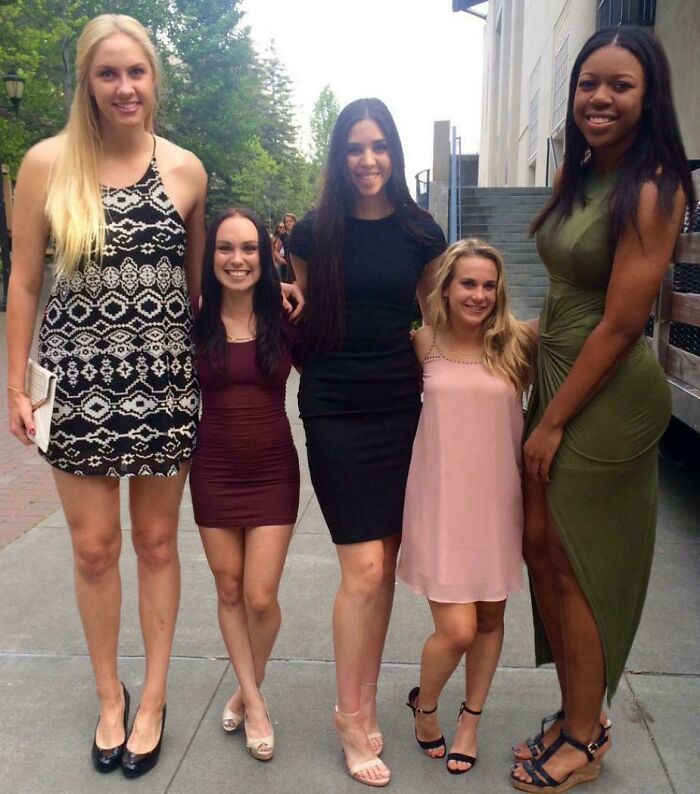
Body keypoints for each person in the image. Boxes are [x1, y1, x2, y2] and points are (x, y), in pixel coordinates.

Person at [6, 14, 208, 778]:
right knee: (94, 550)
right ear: (87, 83)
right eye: (108, 73)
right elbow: (24, 282)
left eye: (137, 72)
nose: (125, 87)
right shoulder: (45, 164)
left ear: (155, 79)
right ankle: (109, 696)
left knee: (157, 544)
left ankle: (152, 695)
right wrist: (18, 385)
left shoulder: (187, 171)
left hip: (161, 384)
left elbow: (192, 290)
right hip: (76, 386)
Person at [510, 26, 694, 792]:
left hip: (606, 393)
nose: (600, 97)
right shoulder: (580, 173)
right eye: (589, 82)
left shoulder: (652, 185)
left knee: (579, 563)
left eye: (620, 85)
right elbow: (561, 291)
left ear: (649, 96)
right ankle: (574, 707)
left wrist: (552, 422)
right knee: (540, 549)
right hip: (558, 373)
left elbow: (621, 324)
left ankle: (585, 736)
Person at [289, 97, 446, 787]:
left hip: (399, 407)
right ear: (339, 156)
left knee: (382, 565)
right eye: (355, 147)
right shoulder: (313, 232)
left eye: (379, 145)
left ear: (395, 151)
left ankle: (361, 697)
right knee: (366, 572)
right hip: (334, 406)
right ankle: (349, 714)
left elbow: (433, 324)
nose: (368, 159)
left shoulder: (421, 233)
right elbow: (301, 321)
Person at [398, 239, 536, 776]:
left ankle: (471, 719)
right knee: (456, 629)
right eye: (468, 283)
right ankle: (425, 704)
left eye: (488, 284)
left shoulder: (518, 345)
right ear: (447, 288)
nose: (478, 294)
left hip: (499, 503)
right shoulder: (422, 342)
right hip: (439, 504)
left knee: (490, 616)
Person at [189, 208, 301, 762]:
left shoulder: (287, 315)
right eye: (226, 249)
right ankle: (254, 700)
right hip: (212, 469)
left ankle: (243, 687)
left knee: (260, 595)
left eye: (250, 248)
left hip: (274, 469)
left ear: (267, 254)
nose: (238, 259)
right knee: (229, 589)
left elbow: (332, 370)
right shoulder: (192, 317)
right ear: (212, 258)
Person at [275, 213, 297, 283]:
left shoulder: (299, 234)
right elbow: (275, 250)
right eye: (286, 222)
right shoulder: (283, 236)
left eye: (291, 221)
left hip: (297, 263)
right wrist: (279, 258)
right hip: (286, 265)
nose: (288, 223)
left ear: (295, 222)